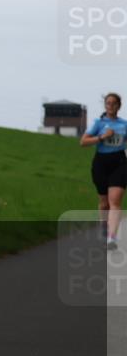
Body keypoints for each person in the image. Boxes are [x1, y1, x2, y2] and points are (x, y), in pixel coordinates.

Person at [79, 93, 126, 250]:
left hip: (119, 163)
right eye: (108, 103)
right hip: (101, 163)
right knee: (104, 203)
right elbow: (83, 142)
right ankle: (104, 231)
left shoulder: (124, 124)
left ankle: (111, 238)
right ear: (105, 105)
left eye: (114, 103)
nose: (111, 106)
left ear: (119, 106)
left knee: (115, 201)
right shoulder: (98, 123)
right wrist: (101, 137)